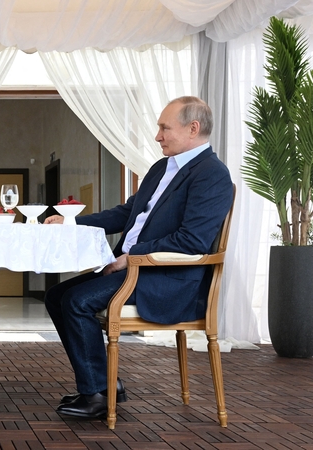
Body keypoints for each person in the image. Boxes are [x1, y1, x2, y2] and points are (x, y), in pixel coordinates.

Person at [42, 96, 233, 419]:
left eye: (164, 128)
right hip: (136, 268)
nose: (158, 136)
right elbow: (127, 213)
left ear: (193, 129)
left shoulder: (212, 175)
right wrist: (71, 222)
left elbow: (192, 241)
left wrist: (131, 258)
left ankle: (97, 395)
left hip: (164, 277)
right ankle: (104, 384)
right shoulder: (162, 168)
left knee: (76, 301)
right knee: (57, 295)